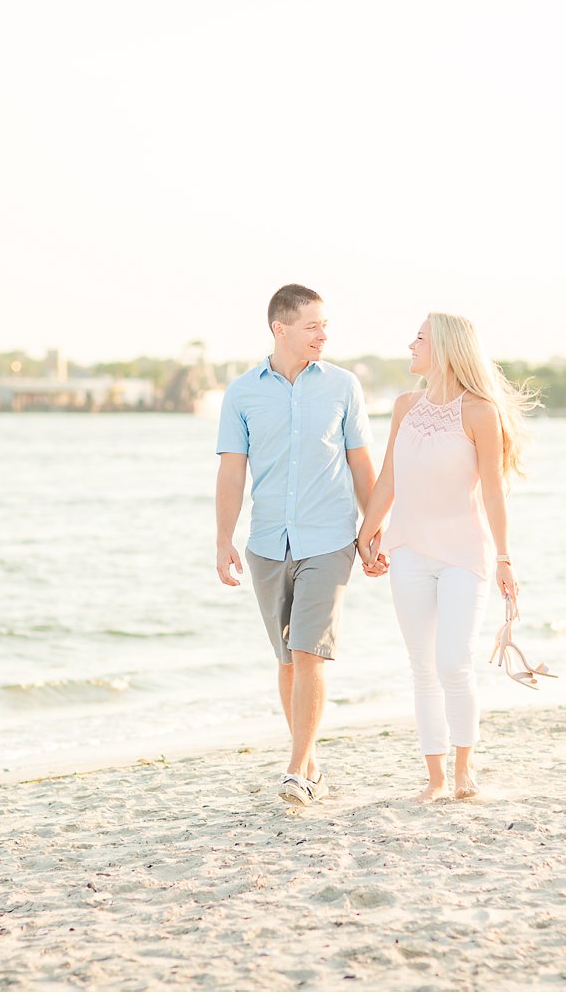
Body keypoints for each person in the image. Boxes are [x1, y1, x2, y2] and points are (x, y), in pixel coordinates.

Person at [357, 312, 538, 803]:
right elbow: (389, 480)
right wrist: (366, 535)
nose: (409, 346)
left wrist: (505, 557)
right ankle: (435, 779)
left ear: (445, 348)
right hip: (409, 551)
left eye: (418, 339)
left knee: (453, 661)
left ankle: (464, 769)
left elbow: (495, 494)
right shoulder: (404, 406)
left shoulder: (479, 411)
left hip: (465, 553)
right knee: (422, 666)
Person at [215, 284, 376, 806]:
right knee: (287, 660)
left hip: (330, 539)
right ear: (279, 329)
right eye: (312, 326)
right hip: (266, 542)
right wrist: (223, 538)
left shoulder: (344, 387)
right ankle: (310, 764)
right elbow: (232, 471)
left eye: (325, 325)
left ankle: (295, 771)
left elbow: (360, 464)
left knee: (310, 653)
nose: (323, 334)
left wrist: (373, 532)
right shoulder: (241, 393)